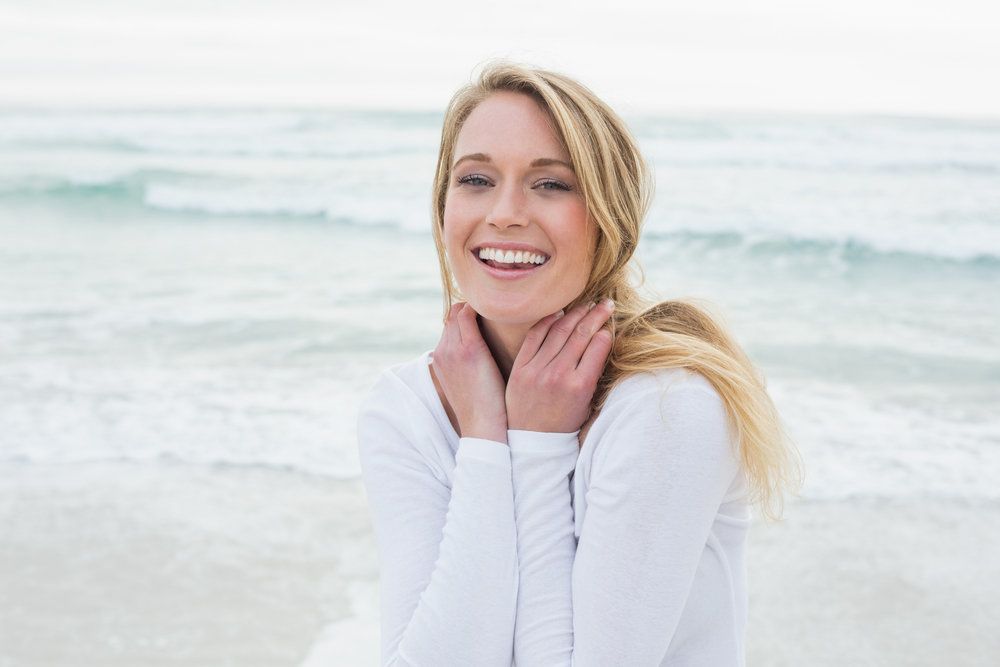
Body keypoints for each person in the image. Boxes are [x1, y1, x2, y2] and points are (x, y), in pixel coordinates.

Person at [356, 60, 803, 666]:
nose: (505, 213)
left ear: (610, 219)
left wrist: (537, 445)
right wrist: (486, 437)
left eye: (551, 184)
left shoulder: (668, 405)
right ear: (442, 210)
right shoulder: (404, 405)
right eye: (476, 179)